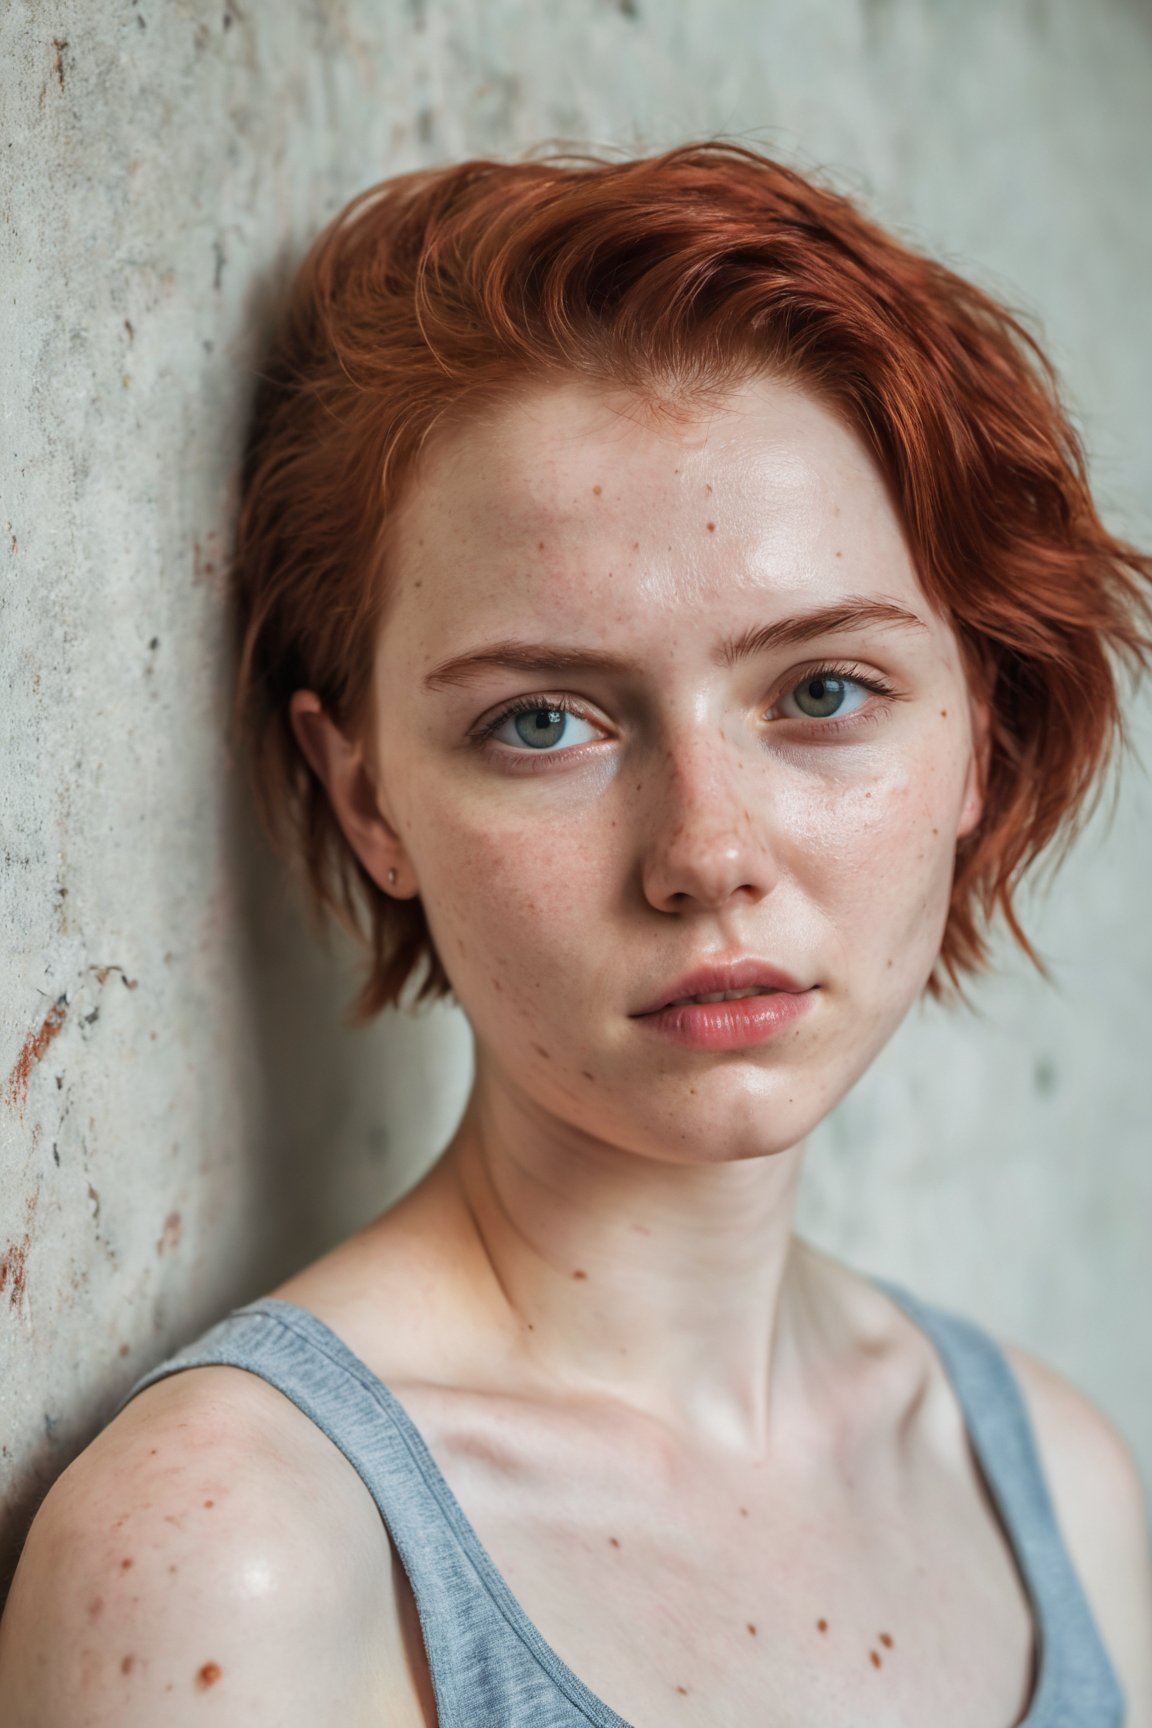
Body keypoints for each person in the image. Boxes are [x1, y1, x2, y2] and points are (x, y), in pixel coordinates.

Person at [1, 141, 1149, 1727]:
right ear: (367, 801)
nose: (706, 853)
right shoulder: (240, 1558)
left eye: (823, 692)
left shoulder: (1061, 1494)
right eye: (544, 722)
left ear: (982, 736)